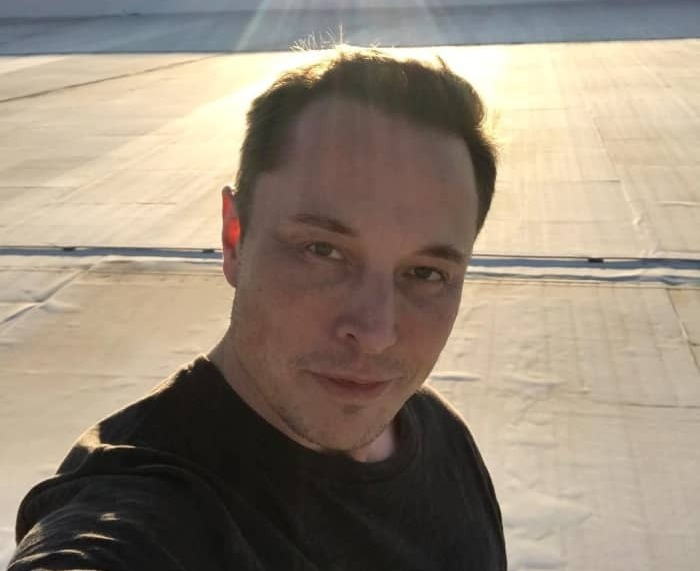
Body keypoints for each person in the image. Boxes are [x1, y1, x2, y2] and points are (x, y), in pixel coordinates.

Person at [9, 47, 506, 570]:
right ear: (234, 238)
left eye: (426, 273)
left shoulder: (436, 430)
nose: (375, 331)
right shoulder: (143, 511)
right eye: (322, 250)